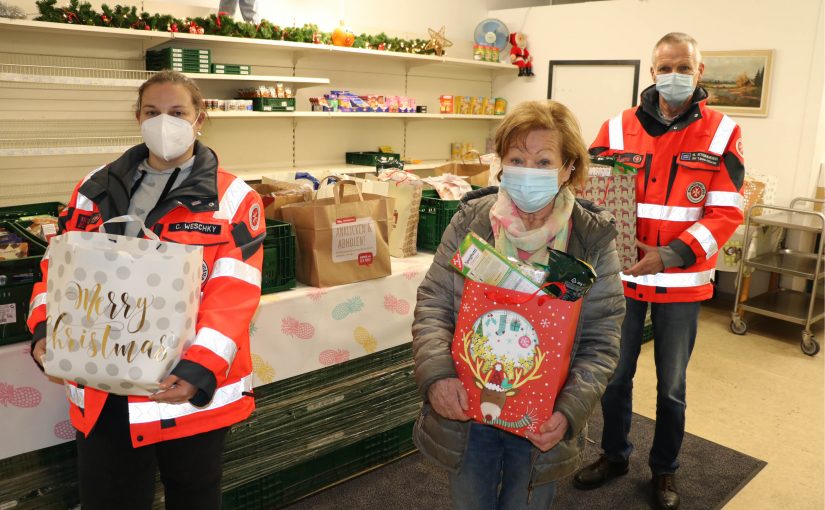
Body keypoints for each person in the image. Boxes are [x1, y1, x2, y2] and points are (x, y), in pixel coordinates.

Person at [27, 70, 266, 510]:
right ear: (137, 117)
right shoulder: (92, 188)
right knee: (110, 499)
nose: (164, 122)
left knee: (192, 497)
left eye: (178, 112)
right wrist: (46, 331)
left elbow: (235, 293)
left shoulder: (232, 198)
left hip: (184, 388)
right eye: (152, 112)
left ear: (200, 118)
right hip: (104, 387)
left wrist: (200, 367)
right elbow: (55, 267)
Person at [412, 100, 625, 509]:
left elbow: (601, 339)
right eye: (517, 158)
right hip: (468, 408)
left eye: (544, 161)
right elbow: (434, 304)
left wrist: (569, 412)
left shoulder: (590, 239)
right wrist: (437, 376)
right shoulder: (472, 220)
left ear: (568, 169)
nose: (528, 171)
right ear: (502, 163)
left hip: (541, 419)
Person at [573, 33, 745, 510]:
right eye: (665, 67)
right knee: (614, 375)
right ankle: (614, 455)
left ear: (700, 71)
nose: (674, 76)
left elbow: (727, 211)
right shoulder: (616, 127)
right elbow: (589, 195)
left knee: (671, 387)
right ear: (652, 72)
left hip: (681, 282)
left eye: (684, 67)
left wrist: (669, 255)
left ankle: (665, 470)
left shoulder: (721, 131)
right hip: (623, 278)